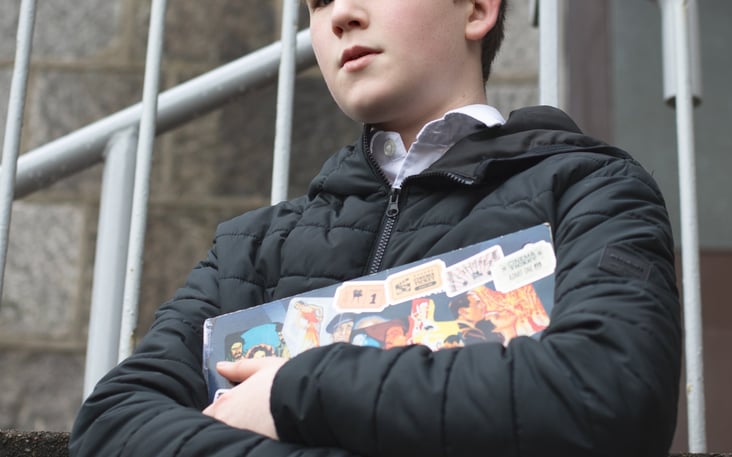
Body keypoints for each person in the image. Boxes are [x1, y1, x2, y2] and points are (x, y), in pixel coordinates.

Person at [69, 0, 682, 456]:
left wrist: (294, 391)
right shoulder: (252, 247)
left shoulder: (590, 190)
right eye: (318, 2)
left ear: (475, 9)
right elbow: (113, 423)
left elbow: (609, 392)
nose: (338, 17)